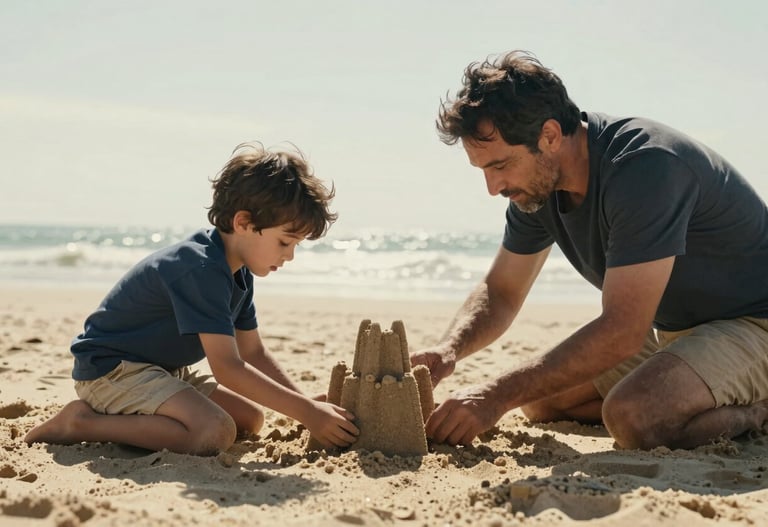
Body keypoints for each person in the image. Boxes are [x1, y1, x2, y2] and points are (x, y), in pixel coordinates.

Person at [411, 50, 768, 451]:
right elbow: (502, 292)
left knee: (634, 416)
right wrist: (449, 348)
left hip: (755, 323)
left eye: (500, 165)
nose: (494, 188)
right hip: (681, 335)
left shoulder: (644, 167)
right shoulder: (535, 189)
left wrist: (494, 395)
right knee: (540, 401)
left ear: (548, 135)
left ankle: (756, 410)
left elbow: (623, 331)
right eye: (484, 171)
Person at [25, 142, 359, 455]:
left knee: (249, 420)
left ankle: (140, 419)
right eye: (285, 242)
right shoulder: (200, 268)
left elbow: (253, 352)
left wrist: (304, 406)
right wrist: (307, 412)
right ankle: (83, 423)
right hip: (112, 371)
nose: (290, 256)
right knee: (213, 432)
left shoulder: (237, 271)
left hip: (161, 371)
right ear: (243, 222)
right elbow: (228, 368)